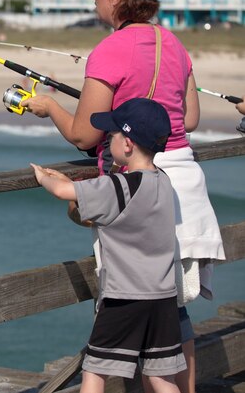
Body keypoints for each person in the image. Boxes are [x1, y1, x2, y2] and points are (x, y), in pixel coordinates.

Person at [21, 0, 224, 393]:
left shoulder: (109, 49)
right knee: (171, 310)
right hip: (183, 181)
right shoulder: (174, 43)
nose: (93, 0)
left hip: (136, 186)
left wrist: (49, 106)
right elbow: (187, 120)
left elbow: (83, 136)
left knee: (127, 304)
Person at [31, 98, 186, 393]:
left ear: (127, 144)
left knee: (95, 370)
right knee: (160, 377)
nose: (107, 141)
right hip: (163, 297)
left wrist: (44, 178)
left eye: (111, 136)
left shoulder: (120, 186)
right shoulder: (164, 182)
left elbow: (65, 192)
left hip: (125, 298)